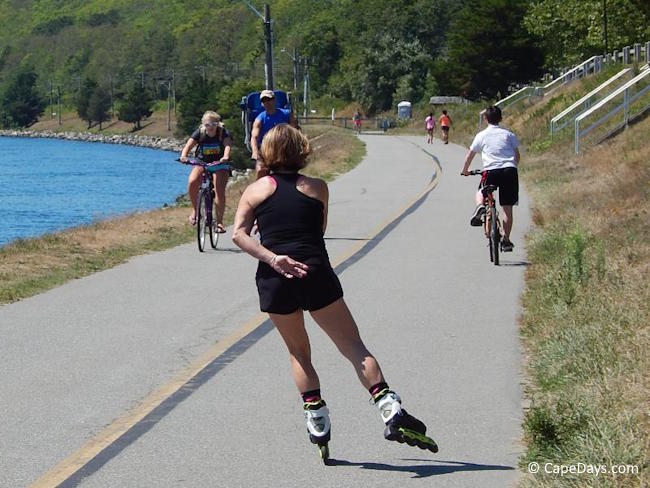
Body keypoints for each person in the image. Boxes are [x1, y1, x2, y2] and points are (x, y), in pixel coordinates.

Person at [232, 124, 438, 458]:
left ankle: (316, 418)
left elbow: (239, 235)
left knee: (298, 352)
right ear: (302, 152)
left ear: (268, 152)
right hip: (316, 273)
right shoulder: (318, 188)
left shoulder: (255, 191)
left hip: (275, 277)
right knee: (354, 345)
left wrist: (274, 258)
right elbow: (320, 228)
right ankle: (388, 407)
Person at [461, 106, 520, 252]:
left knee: (482, 190)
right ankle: (506, 240)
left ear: (485, 119)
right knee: (507, 209)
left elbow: (470, 155)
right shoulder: (508, 134)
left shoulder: (481, 135)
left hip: (491, 171)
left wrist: (465, 171)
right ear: (501, 118)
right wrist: (512, 166)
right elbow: (517, 155)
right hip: (509, 170)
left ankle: (480, 206)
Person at [180, 111, 232, 233]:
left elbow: (228, 145)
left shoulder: (222, 133)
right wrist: (184, 156)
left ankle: (219, 222)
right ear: (204, 124)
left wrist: (226, 156)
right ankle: (195, 210)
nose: (211, 127)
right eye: (208, 124)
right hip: (202, 162)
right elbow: (189, 145)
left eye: (214, 123)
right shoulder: (200, 132)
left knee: (219, 189)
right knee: (193, 181)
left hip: (219, 164)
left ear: (218, 124)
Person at [250, 89, 299, 179]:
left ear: (274, 100)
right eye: (264, 101)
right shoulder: (259, 119)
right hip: (266, 148)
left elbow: (294, 131)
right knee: (261, 170)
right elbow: (254, 137)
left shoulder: (286, 114)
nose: (267, 103)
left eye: (269, 99)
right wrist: (255, 151)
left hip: (284, 147)